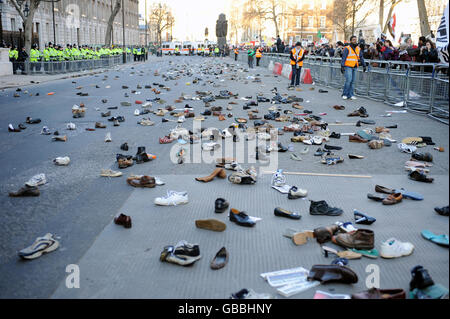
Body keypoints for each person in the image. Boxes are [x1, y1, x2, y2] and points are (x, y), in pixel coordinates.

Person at [341, 35, 366, 100]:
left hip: (355, 66)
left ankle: (351, 94)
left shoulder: (358, 48)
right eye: (353, 40)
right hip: (348, 66)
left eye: (355, 39)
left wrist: (364, 65)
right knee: (348, 80)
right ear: (351, 41)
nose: (355, 41)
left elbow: (361, 57)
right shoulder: (347, 48)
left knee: (353, 81)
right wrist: (342, 66)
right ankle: (345, 94)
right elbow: (344, 57)